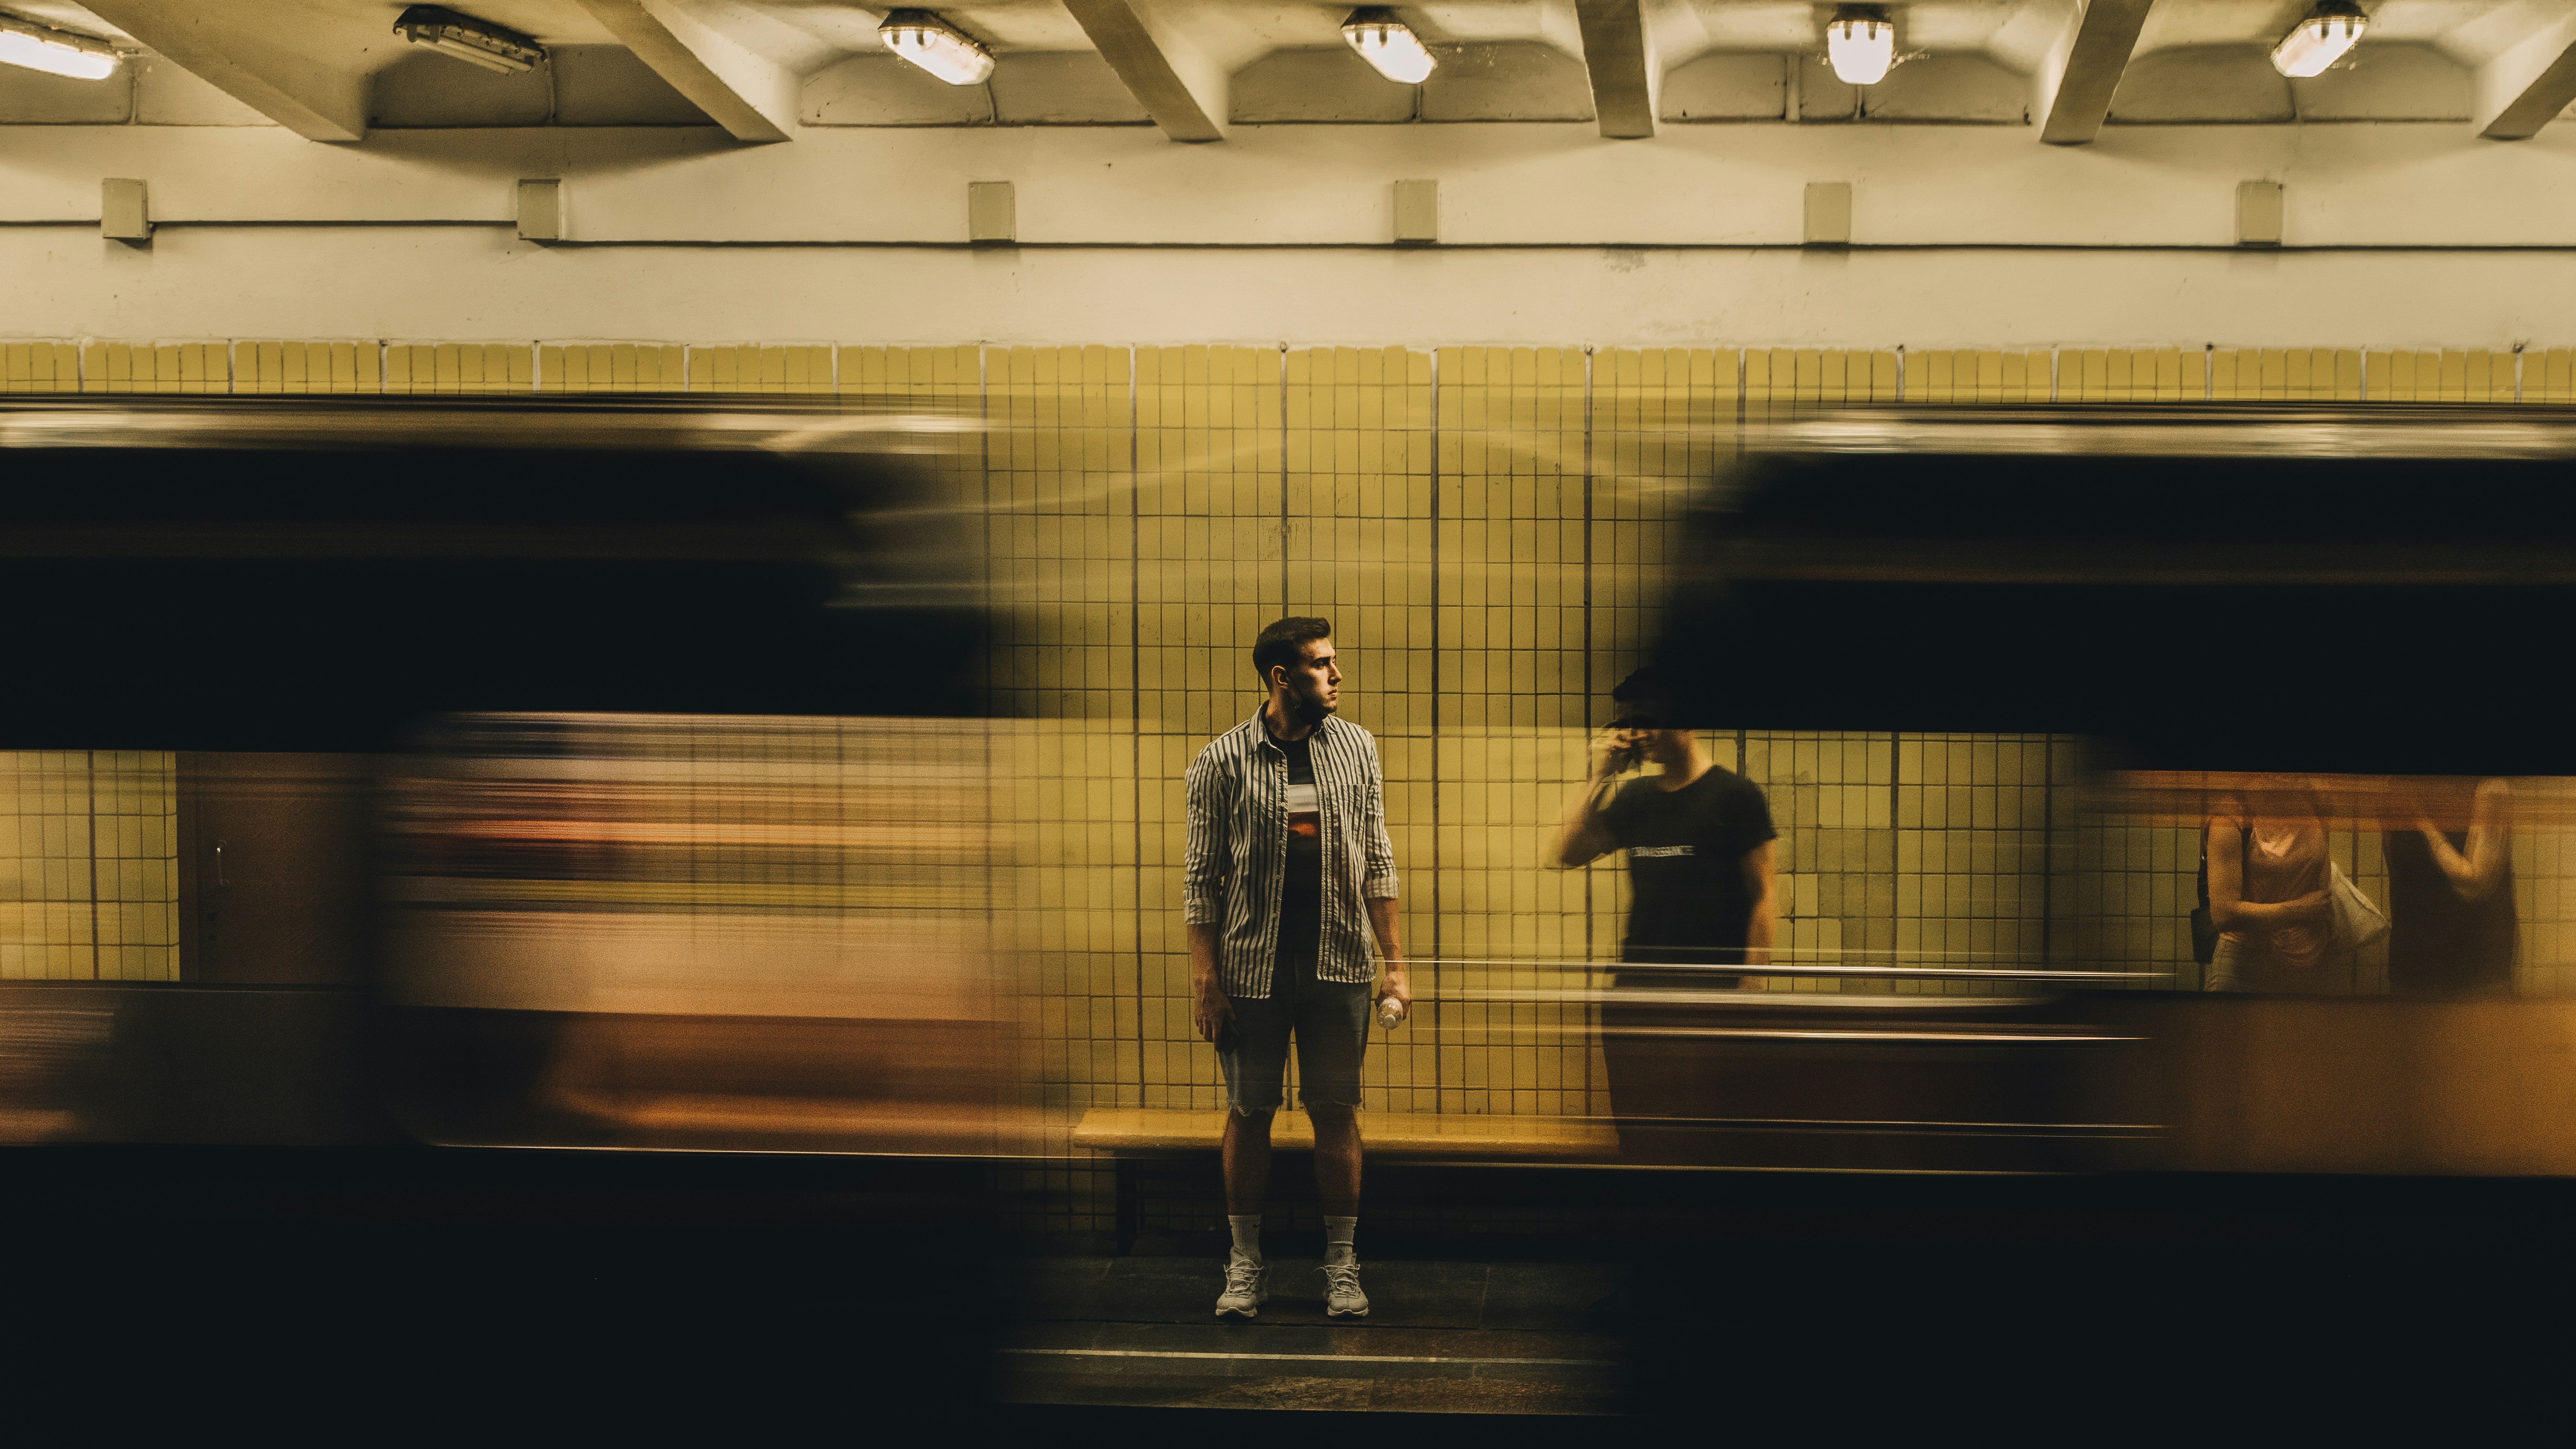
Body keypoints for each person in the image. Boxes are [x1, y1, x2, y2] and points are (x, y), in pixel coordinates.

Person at [1183, 616, 1409, 1321]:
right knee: (1250, 1112)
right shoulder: (1220, 762)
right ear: (1282, 677)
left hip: (1338, 964)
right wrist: (1206, 981)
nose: (1337, 675)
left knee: (1335, 1111)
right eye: (1322, 665)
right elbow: (1201, 878)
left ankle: (1341, 1264)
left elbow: (1378, 857)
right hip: (1251, 972)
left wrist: (1395, 966)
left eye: (1334, 662)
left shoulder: (1358, 748)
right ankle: (1245, 1263)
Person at [1551, 667, 1776, 1153]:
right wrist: (1598, 778)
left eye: (1649, 718)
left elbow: (1764, 894)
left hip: (1711, 998)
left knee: (1711, 1134)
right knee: (1641, 1132)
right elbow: (1567, 852)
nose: (1638, 732)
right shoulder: (1636, 798)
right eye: (1629, 722)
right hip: (1638, 995)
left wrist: (1752, 988)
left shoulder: (1736, 796)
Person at [2205, 780, 2349, 994]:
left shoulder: (2314, 803)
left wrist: (2327, 923)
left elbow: (2319, 874)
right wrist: (2299, 910)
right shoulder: (2231, 817)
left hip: (2310, 962)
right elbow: (2224, 914)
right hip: (2246, 965)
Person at [2383, 778, 2516, 997]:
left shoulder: (2489, 787)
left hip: (2472, 950)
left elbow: (2476, 879)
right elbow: (2398, 871)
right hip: (2419, 948)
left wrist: (2424, 825)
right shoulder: (2398, 788)